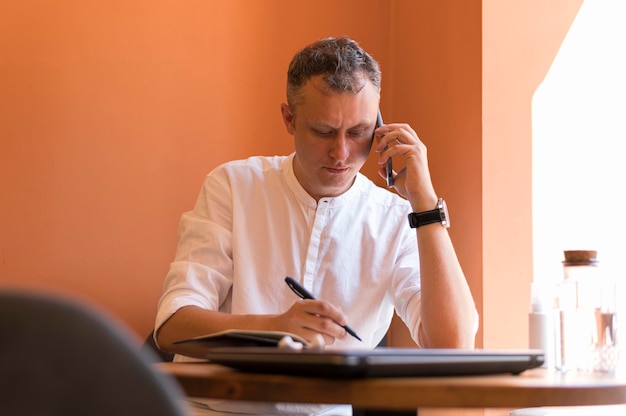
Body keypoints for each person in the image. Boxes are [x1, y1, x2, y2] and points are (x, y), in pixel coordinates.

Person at [154, 36, 477, 415]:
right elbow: (172, 325)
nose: (341, 153)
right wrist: (274, 328)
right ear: (289, 119)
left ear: (379, 125)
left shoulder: (392, 216)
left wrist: (424, 205)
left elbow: (453, 345)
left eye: (358, 132)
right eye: (324, 131)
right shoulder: (233, 186)